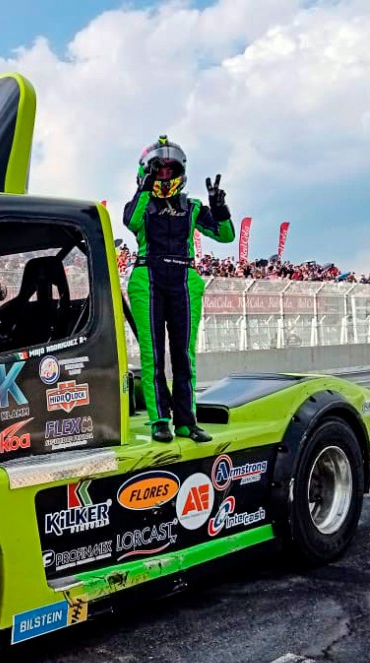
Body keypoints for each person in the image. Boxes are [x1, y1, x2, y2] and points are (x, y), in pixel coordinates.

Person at [124, 136, 234, 443]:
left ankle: (187, 422)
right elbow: (132, 222)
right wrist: (145, 187)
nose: (164, 175)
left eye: (169, 170)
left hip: (184, 279)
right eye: (158, 169)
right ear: (146, 171)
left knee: (184, 355)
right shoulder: (140, 203)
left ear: (180, 172)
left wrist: (220, 208)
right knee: (153, 355)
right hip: (147, 278)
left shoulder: (192, 206)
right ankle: (160, 419)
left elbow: (225, 235)